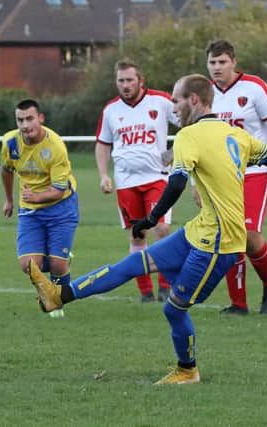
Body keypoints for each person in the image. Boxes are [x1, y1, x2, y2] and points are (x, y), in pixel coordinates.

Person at [27, 74, 267, 384]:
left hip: (219, 243)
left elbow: (176, 181)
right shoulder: (235, 135)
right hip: (198, 230)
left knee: (175, 310)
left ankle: (187, 370)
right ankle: (58, 295)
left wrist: (152, 218)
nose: (173, 107)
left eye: (176, 99)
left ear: (195, 101)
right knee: (135, 263)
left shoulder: (190, 136)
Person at [205, 39, 267, 315]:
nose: (217, 67)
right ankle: (238, 304)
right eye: (212, 62)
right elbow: (199, 139)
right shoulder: (205, 94)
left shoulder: (254, 88)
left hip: (257, 170)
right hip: (222, 176)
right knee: (230, 236)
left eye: (222, 62)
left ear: (233, 62)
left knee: (250, 234)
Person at [95, 59, 179, 303]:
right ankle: (146, 292)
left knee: (162, 229)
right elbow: (102, 144)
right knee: (137, 234)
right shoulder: (111, 110)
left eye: (130, 79)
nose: (125, 85)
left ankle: (165, 286)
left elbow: (190, 123)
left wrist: (175, 152)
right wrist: (103, 175)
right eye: (121, 80)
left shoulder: (160, 101)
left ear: (140, 80)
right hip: (126, 181)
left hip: (157, 178)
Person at [1, 99, 78, 317]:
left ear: (40, 118)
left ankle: (56, 302)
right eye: (20, 120)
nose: (25, 125)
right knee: (28, 265)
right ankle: (57, 260)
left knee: (58, 266)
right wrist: (9, 199)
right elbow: (6, 170)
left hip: (61, 207)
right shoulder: (10, 143)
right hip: (30, 209)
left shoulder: (55, 147)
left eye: (29, 119)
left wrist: (35, 197)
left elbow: (59, 190)